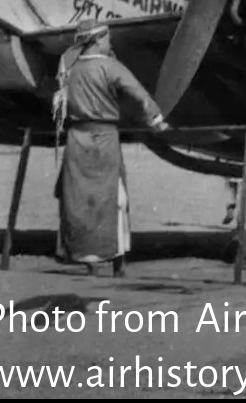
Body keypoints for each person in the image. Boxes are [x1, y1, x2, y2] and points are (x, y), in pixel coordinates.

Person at [53, 19, 168, 277]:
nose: (110, 42)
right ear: (96, 40)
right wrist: (156, 120)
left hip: (77, 138)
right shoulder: (110, 66)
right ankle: (117, 263)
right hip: (104, 138)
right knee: (114, 198)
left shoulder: (68, 69)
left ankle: (88, 260)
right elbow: (138, 93)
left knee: (78, 199)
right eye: (107, 39)